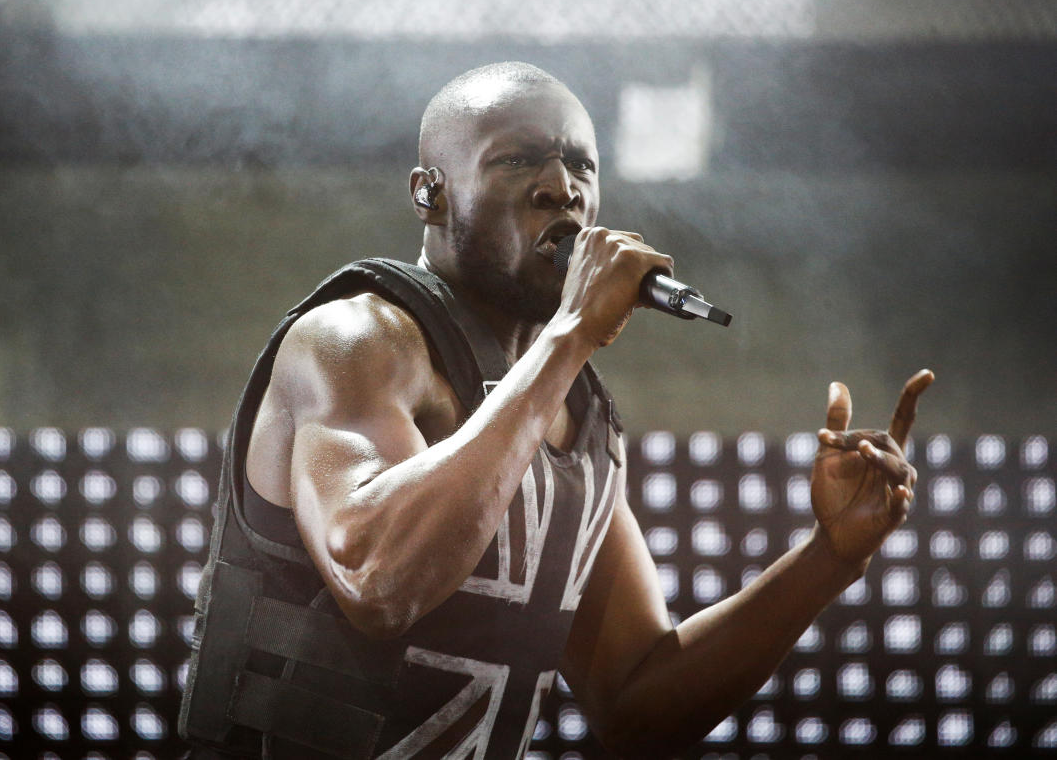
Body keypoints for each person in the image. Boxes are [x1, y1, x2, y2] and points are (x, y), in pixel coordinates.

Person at [179, 62, 935, 759]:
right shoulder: (359, 340)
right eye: (517, 160)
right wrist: (571, 335)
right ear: (428, 192)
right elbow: (378, 578)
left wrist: (829, 558)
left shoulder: (580, 418)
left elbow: (637, 704)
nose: (560, 187)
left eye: (581, 165)